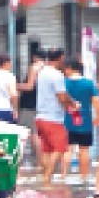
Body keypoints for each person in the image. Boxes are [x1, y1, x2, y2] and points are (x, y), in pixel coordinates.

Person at [33, 49, 72, 183]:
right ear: (60, 58)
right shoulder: (56, 75)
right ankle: (47, 177)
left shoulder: (42, 72)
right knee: (59, 148)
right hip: (53, 118)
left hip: (40, 117)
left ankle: (46, 178)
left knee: (47, 149)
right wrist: (72, 104)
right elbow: (61, 96)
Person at [62, 58, 99, 183]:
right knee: (84, 149)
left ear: (70, 68)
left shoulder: (64, 83)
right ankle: (83, 176)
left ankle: (63, 176)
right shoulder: (89, 84)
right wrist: (98, 116)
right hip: (85, 121)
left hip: (68, 120)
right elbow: (96, 101)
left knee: (68, 149)